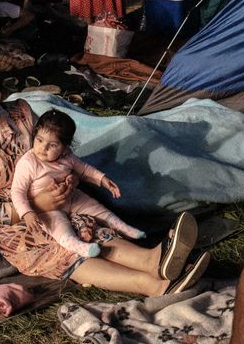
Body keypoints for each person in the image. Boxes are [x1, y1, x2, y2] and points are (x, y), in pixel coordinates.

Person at [0, 62, 208, 295]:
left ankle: (153, 261)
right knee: (58, 246)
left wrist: (69, 177)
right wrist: (35, 205)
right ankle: (153, 285)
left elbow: (58, 149)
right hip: (11, 219)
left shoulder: (21, 114)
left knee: (86, 224)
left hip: (54, 193)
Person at [12, 109, 145, 258]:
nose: (43, 148)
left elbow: (84, 169)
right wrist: (27, 213)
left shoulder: (67, 156)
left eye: (53, 145)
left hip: (71, 196)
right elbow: (17, 191)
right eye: (39, 140)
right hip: (47, 209)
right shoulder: (28, 163)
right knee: (58, 227)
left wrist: (103, 179)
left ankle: (123, 228)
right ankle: (79, 246)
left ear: (64, 147)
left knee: (96, 207)